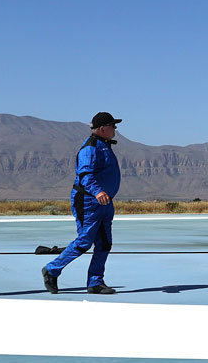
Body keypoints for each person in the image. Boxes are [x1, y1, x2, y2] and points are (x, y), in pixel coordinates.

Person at [42, 112, 122, 295]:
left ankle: (95, 282)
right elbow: (86, 175)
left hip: (104, 203)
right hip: (88, 201)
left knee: (104, 242)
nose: (115, 129)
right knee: (85, 240)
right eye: (113, 125)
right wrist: (98, 191)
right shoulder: (91, 148)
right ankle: (52, 269)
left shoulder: (104, 145)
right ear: (103, 129)